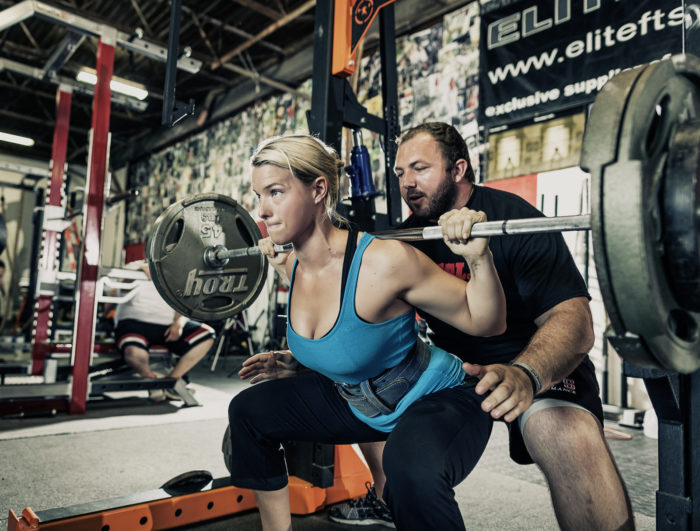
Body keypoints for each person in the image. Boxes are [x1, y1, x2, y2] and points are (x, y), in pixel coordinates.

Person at [327, 122, 634, 530]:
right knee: (376, 411)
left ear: (458, 170)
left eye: (420, 168)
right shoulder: (404, 240)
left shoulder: (513, 219)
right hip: (456, 373)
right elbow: (361, 319)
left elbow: (575, 323)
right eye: (400, 173)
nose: (407, 183)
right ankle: (388, 498)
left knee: (568, 438)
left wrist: (526, 373)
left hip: (535, 363)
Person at [227, 133, 506, 531]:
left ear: (318, 189)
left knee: (407, 472)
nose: (263, 210)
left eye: (276, 192)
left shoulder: (384, 261)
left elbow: (487, 322)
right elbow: (348, 338)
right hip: (362, 404)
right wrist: (300, 364)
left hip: (439, 396)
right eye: (259, 196)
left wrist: (479, 258)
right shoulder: (291, 267)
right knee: (249, 411)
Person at [112, 260, 215, 400]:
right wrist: (140, 271)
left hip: (167, 327)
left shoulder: (178, 270)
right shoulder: (134, 266)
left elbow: (184, 304)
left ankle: (171, 382)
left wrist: (179, 323)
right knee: (133, 352)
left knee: (207, 334)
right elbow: (118, 290)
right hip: (134, 323)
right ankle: (151, 381)